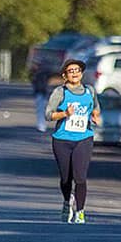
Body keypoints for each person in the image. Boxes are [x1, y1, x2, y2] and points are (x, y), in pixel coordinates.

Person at [45, 59, 101, 224]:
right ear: (65, 75)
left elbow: (96, 107)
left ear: (82, 73)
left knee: (80, 177)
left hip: (84, 137)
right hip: (62, 139)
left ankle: (80, 211)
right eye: (71, 71)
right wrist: (65, 114)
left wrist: (95, 116)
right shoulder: (60, 92)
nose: (75, 73)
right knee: (65, 178)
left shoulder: (89, 91)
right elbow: (48, 115)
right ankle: (66, 202)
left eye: (77, 70)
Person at [31, 64, 50, 133]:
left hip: (43, 91)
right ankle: (41, 125)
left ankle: (41, 126)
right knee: (41, 107)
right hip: (41, 91)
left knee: (41, 108)